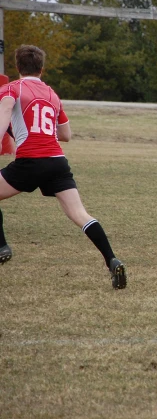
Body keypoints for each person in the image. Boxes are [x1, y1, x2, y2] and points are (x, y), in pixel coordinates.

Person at [0, 45, 127, 289]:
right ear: (42, 68)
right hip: (57, 161)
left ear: (17, 68)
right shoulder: (52, 94)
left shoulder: (11, 89)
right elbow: (66, 134)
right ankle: (111, 259)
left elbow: (5, 113)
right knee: (81, 215)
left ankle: (2, 246)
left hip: (30, 161)